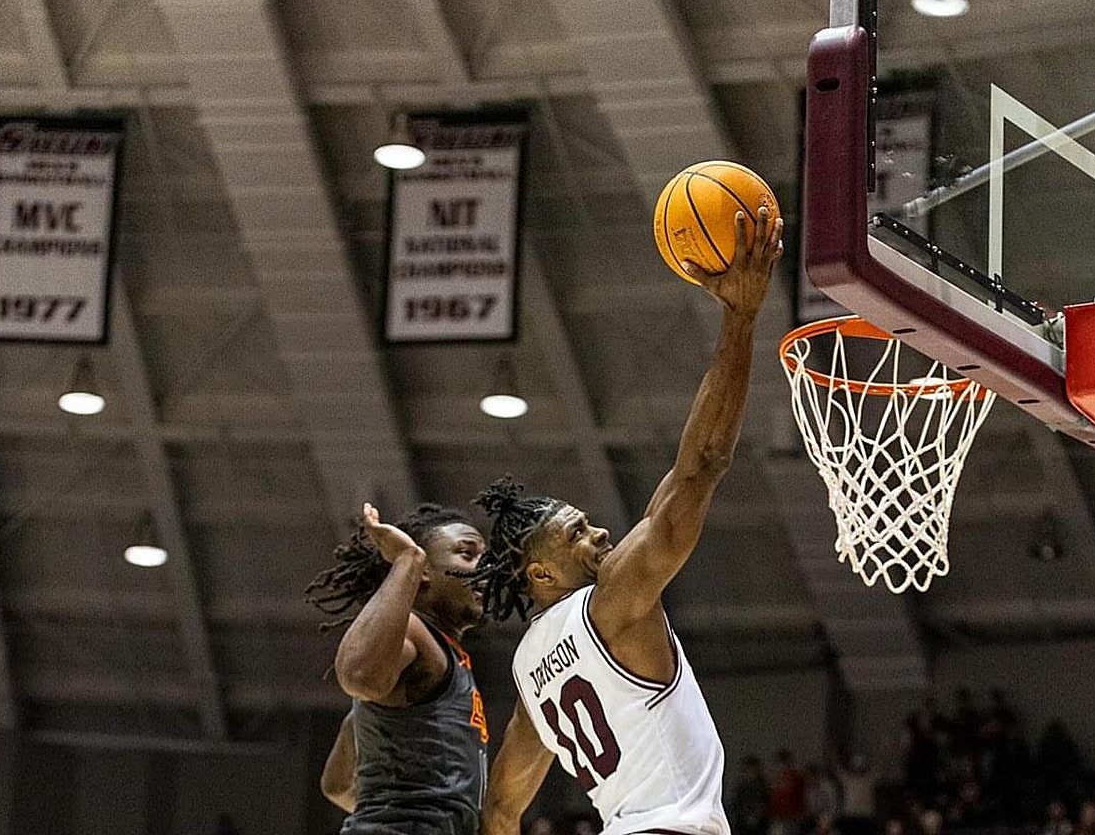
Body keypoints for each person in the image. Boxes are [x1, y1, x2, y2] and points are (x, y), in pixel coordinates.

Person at [473, 207, 783, 835]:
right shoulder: (612, 601)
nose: (600, 535)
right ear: (540, 572)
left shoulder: (530, 671)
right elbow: (701, 466)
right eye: (576, 533)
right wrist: (741, 318)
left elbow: (501, 806)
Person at [305, 502, 490, 835]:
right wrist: (407, 559)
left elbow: (336, 783)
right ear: (424, 571)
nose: (485, 568)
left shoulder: (443, 651)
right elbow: (357, 676)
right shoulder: (414, 631)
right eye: (467, 554)